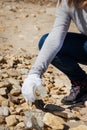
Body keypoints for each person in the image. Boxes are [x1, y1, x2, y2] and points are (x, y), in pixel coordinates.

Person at [21, 0, 87, 105]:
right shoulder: (67, 2)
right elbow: (55, 38)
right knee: (45, 42)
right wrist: (34, 74)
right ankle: (81, 83)